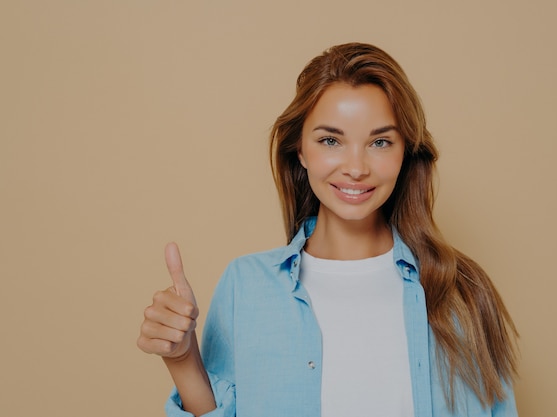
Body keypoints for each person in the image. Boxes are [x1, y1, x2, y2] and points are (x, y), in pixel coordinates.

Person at [137, 42, 519, 417]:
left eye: (380, 141)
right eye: (331, 140)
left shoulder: (461, 294)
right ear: (300, 150)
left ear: (405, 153)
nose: (356, 167)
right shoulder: (246, 286)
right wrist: (183, 359)